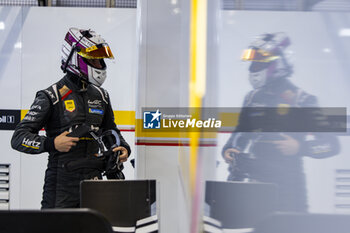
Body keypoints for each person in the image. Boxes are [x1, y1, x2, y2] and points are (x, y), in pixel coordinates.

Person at [11, 28, 131, 208]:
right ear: (75, 58)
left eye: (100, 59)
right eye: (93, 59)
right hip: (61, 186)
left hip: (95, 184)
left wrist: (122, 147)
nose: (98, 64)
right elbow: (18, 138)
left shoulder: (101, 96)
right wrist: (51, 143)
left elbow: (110, 130)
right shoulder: (51, 96)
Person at [222, 32, 340, 212]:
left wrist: (301, 148)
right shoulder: (252, 98)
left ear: (276, 65)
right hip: (254, 187)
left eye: (258, 64)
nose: (253, 69)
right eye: (252, 64)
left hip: (288, 192)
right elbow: (239, 135)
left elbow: (331, 145)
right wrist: (229, 151)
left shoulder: (302, 101)